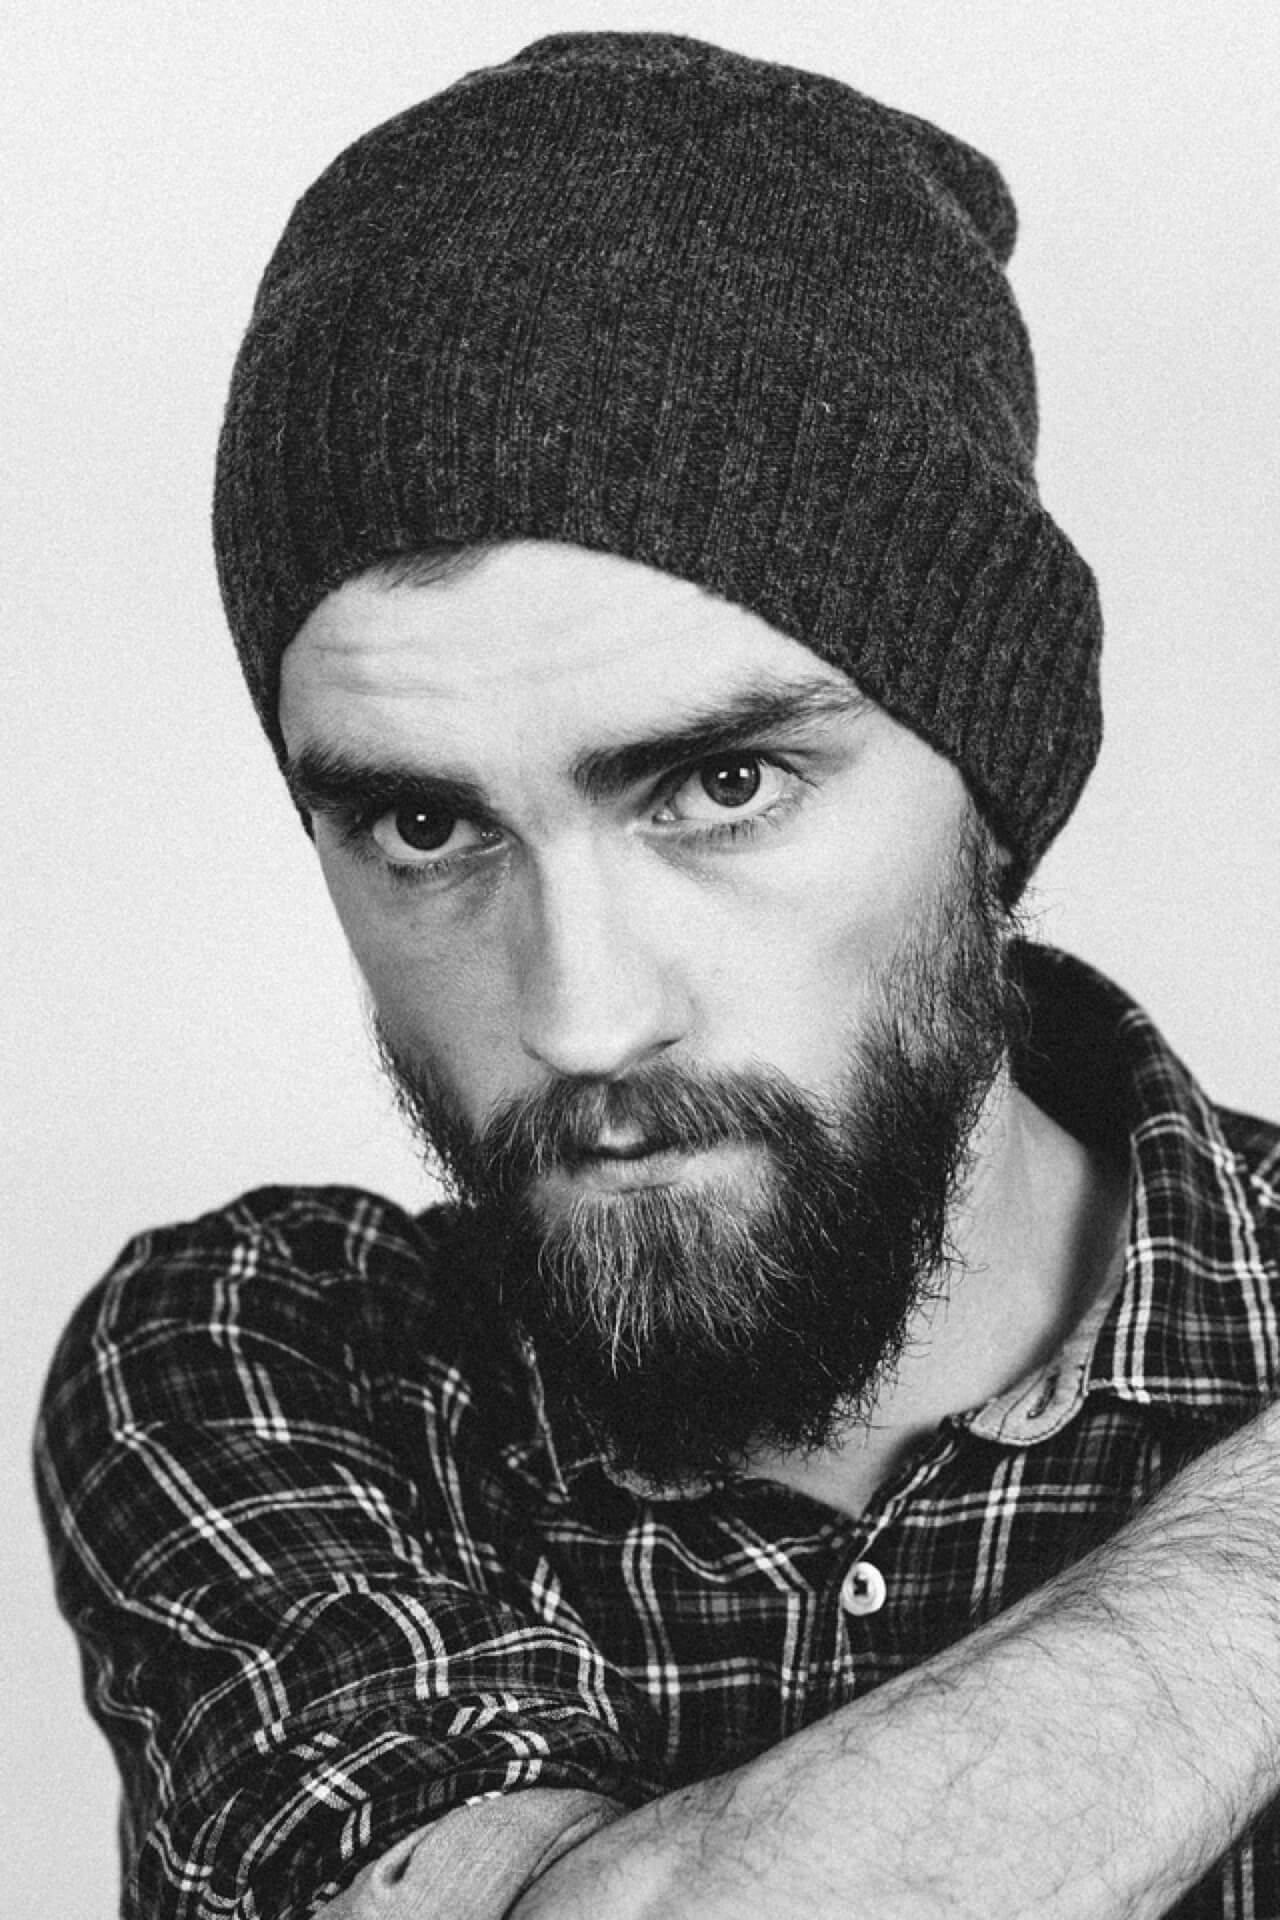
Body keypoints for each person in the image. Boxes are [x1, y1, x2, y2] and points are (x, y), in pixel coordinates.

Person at [34, 31, 1280, 1920]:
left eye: (722, 785)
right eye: (427, 827)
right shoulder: (266, 1363)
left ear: (998, 780)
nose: (584, 1015)